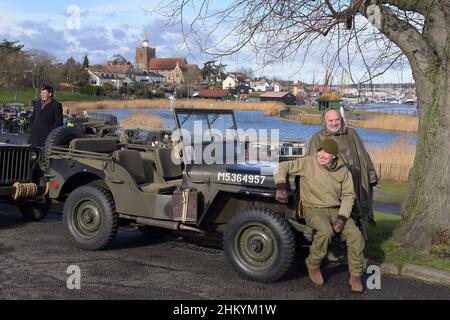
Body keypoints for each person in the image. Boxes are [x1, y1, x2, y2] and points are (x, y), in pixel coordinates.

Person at [274, 139, 365, 292]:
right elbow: (282, 166)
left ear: (334, 156)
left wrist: (342, 218)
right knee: (325, 231)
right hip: (313, 208)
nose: (322, 155)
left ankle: (355, 275)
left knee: (356, 236)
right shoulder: (308, 163)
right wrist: (281, 186)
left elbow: (349, 195)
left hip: (337, 209)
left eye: (326, 152)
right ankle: (313, 264)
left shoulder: (343, 171)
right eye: (320, 151)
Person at [307, 108, 378, 229]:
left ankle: (356, 231)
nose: (334, 123)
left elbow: (363, 155)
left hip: (355, 181)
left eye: (337, 120)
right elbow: (311, 163)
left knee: (355, 209)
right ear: (324, 121)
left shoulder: (351, 134)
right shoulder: (317, 138)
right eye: (330, 120)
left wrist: (371, 175)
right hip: (332, 185)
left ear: (341, 120)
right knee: (336, 212)